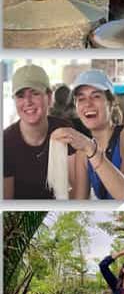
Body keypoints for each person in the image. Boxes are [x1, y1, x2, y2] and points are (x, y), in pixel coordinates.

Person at [4, 65, 78, 199]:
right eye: (20, 96)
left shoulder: (64, 129)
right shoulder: (5, 142)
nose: (28, 102)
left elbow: (75, 188)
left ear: (49, 98)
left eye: (35, 93)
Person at [50, 70, 124, 200]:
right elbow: (81, 202)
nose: (87, 104)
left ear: (111, 102)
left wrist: (90, 148)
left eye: (96, 96)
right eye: (81, 99)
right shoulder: (82, 154)